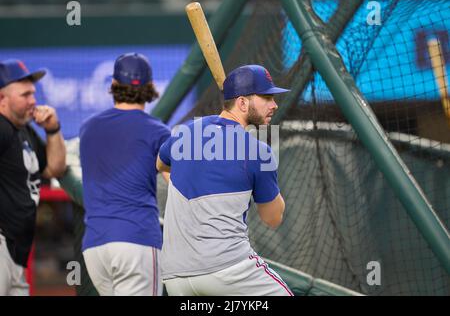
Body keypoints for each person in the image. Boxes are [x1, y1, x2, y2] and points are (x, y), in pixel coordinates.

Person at [157, 64, 294, 296]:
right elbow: (272, 219)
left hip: (175, 277)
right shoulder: (257, 151)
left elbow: (161, 164)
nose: (274, 105)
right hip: (228, 270)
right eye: (266, 97)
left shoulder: (187, 131)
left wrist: (193, 185)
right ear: (242, 103)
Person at [79, 53, 171, 296]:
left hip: (95, 246)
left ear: (113, 85)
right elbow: (178, 184)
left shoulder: (88, 127)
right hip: (136, 240)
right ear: (150, 88)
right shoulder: (158, 132)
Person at [0, 59, 66, 296]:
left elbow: (53, 169)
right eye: (25, 94)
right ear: (2, 98)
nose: (33, 100)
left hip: (17, 251)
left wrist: (53, 129)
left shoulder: (23, 130)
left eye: (33, 93)